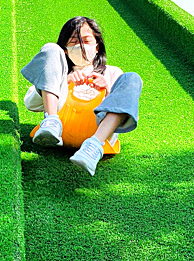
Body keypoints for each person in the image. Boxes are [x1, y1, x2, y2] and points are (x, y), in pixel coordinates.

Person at [21, 17, 142, 176]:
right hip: (58, 131)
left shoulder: (112, 73)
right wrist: (64, 82)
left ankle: (93, 147)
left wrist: (107, 89)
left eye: (86, 40)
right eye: (73, 42)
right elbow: (31, 103)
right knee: (50, 48)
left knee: (132, 78)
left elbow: (123, 110)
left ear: (97, 46)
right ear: (65, 49)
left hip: (98, 135)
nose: (81, 46)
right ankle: (51, 121)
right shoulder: (58, 70)